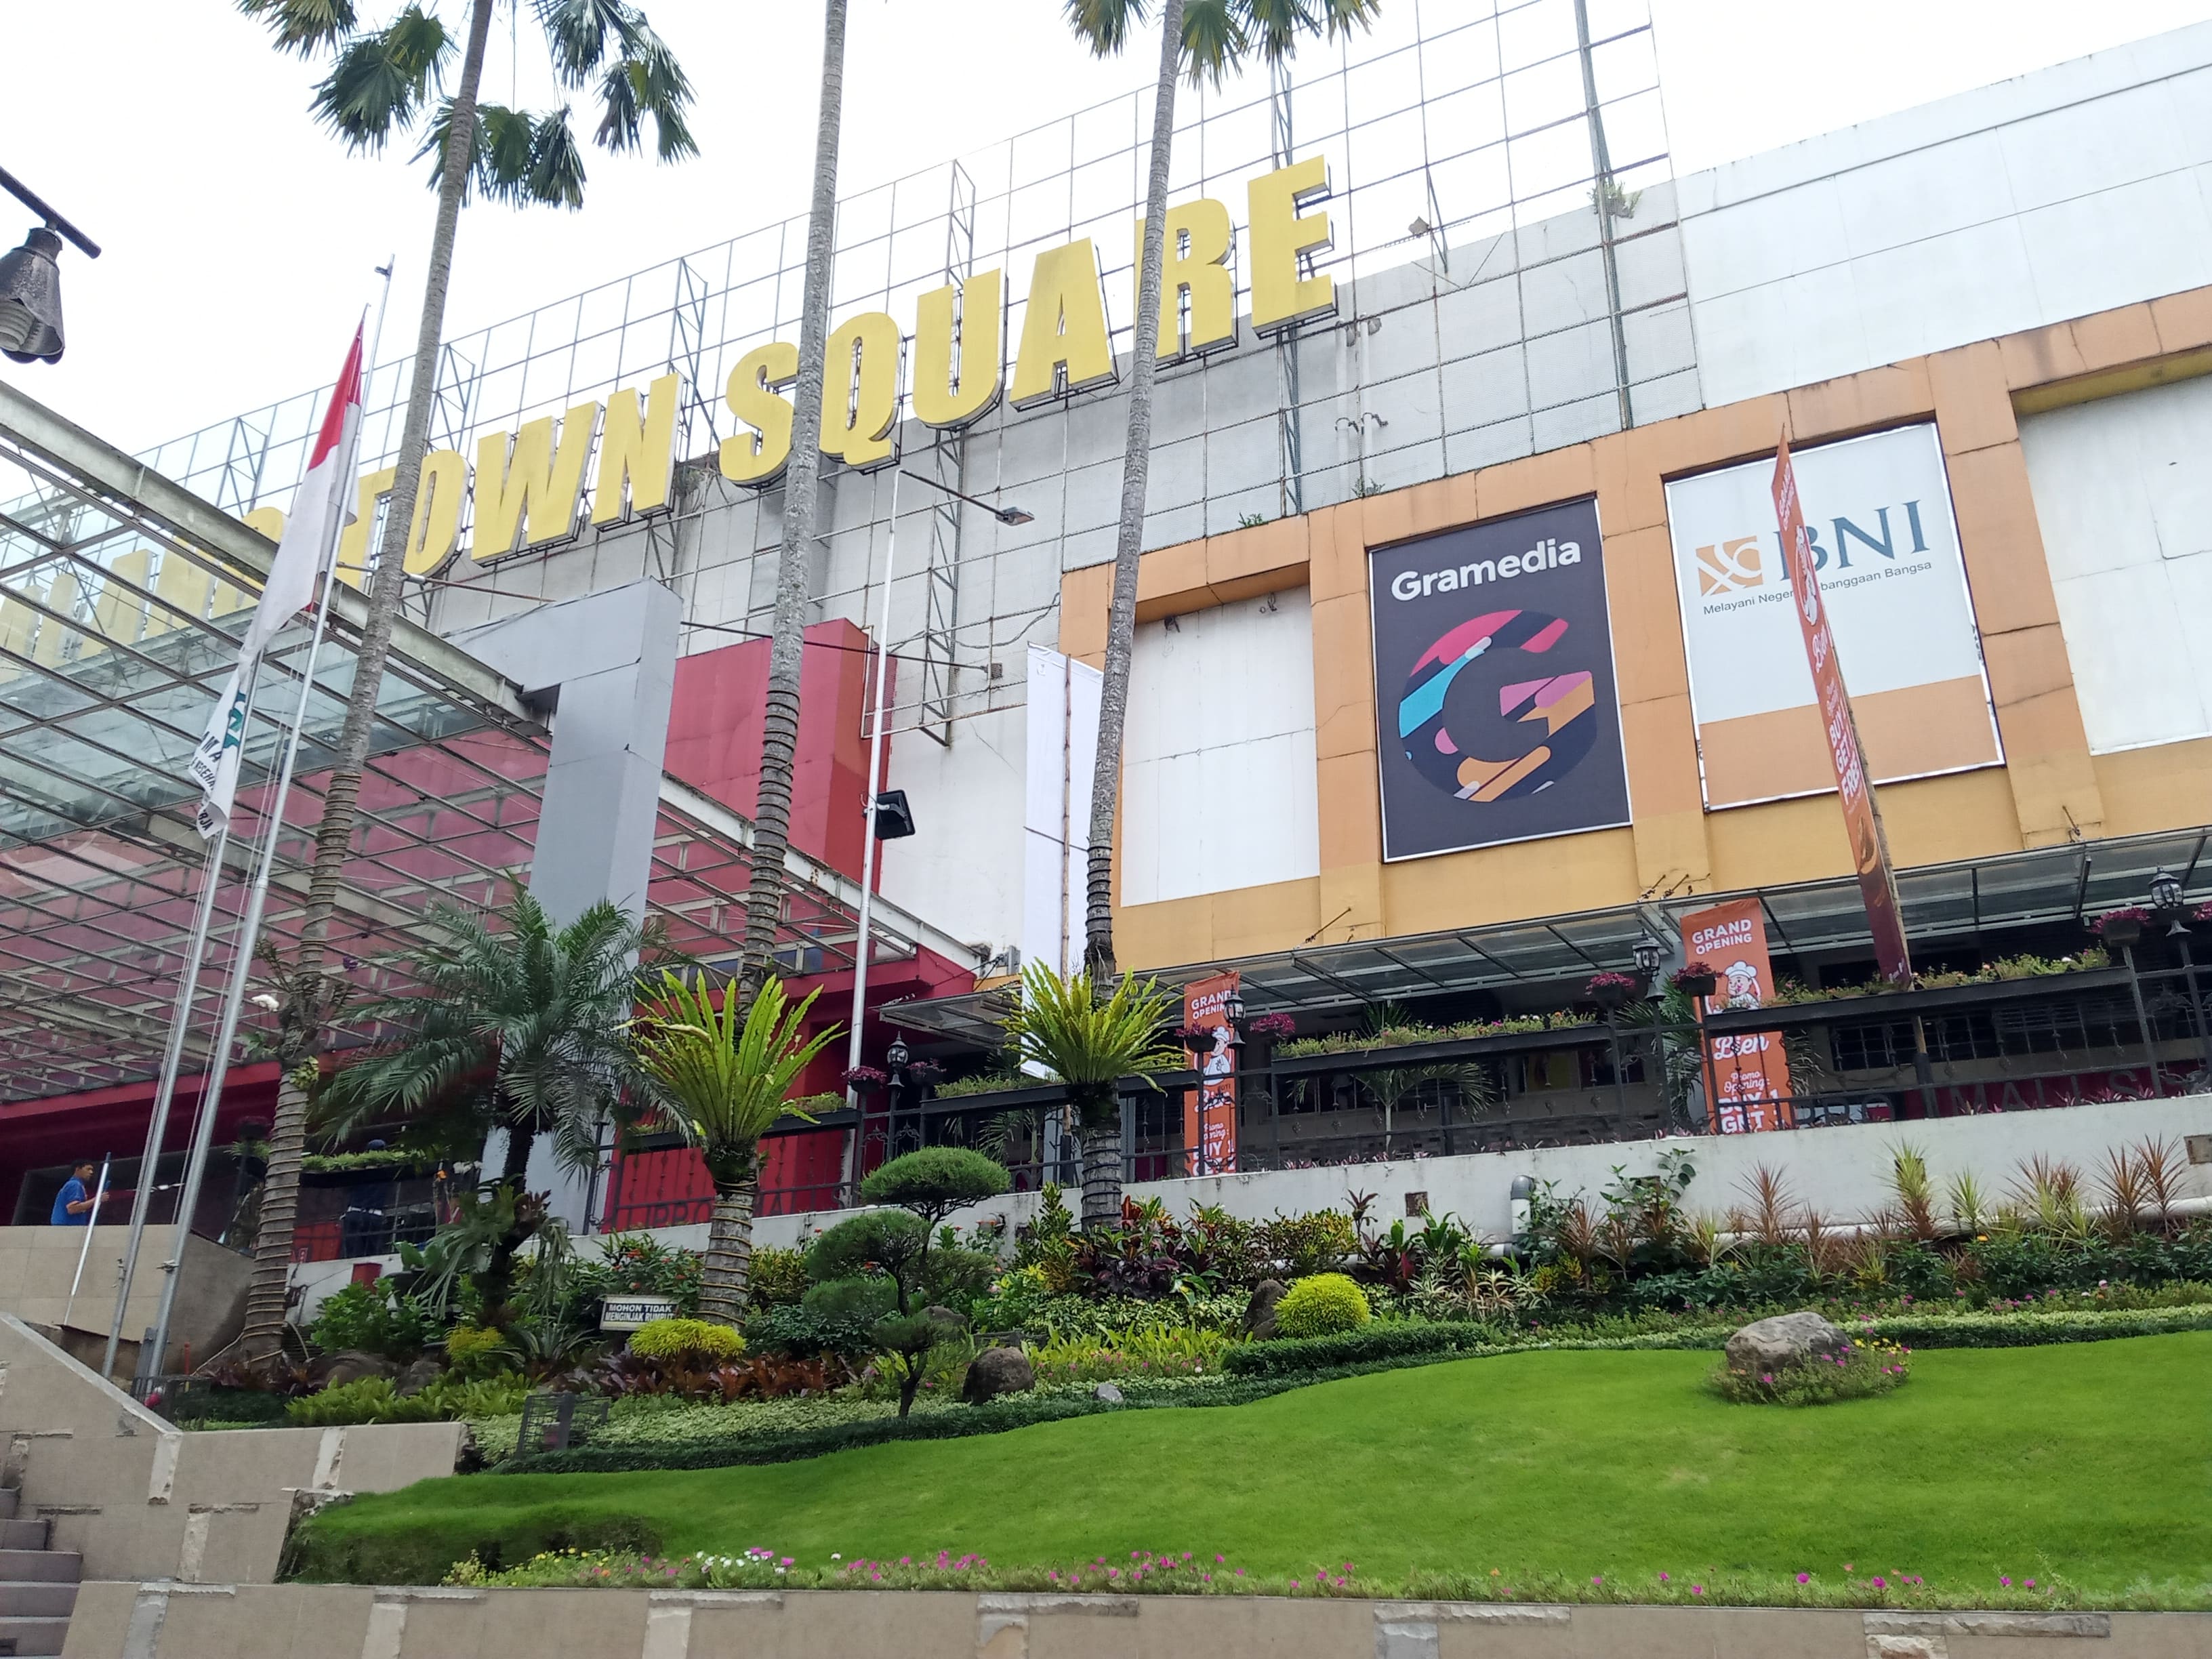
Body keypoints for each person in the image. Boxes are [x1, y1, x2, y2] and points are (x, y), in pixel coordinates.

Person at [49, 1161, 100, 1225]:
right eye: (88, 1169)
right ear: (78, 1169)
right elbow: (72, 1209)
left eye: (92, 1170)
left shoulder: (75, 1184)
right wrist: (97, 1199)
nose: (91, 1172)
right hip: (67, 1229)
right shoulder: (75, 1184)